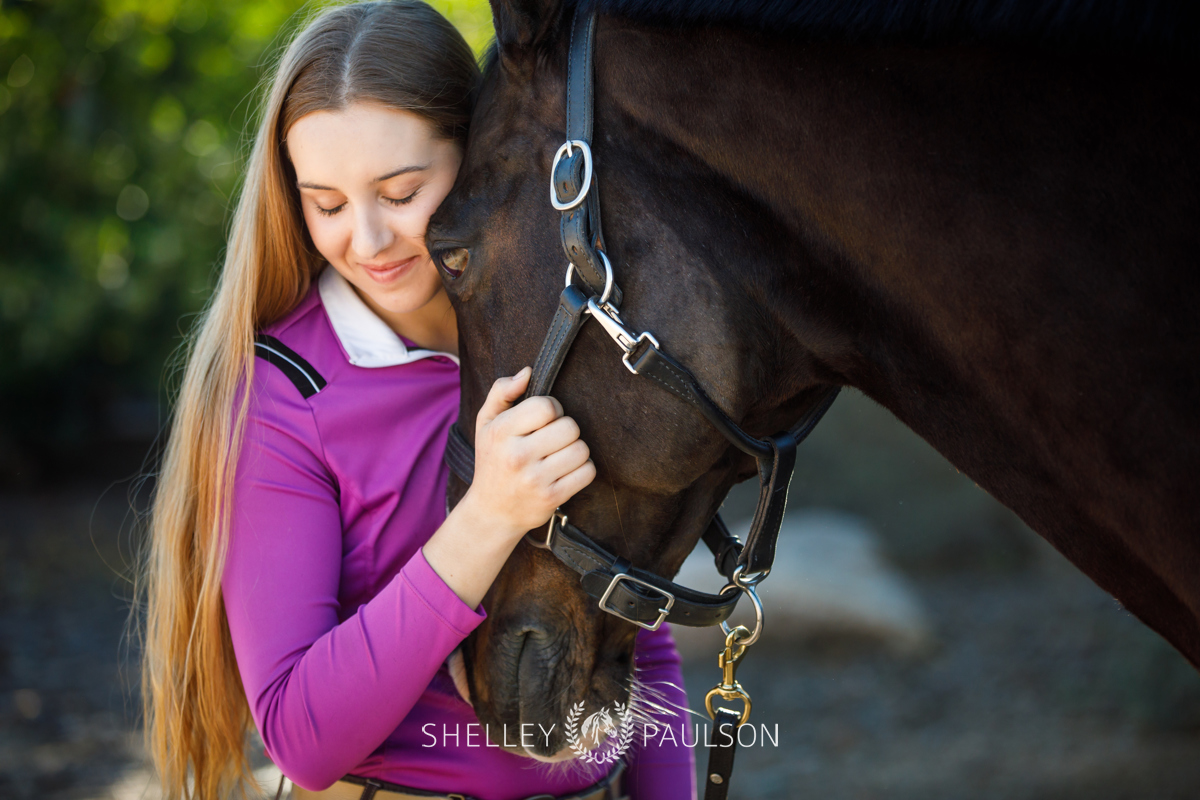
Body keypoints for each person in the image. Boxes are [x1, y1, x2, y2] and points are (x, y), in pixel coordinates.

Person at [138, 2, 696, 799]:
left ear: (475, 157)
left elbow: (639, 628)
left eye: (399, 192)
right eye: (325, 204)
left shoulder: (562, 335)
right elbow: (300, 736)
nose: (365, 241)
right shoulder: (284, 396)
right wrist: (488, 517)